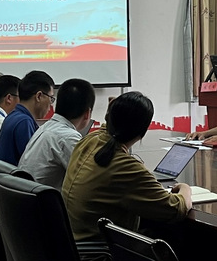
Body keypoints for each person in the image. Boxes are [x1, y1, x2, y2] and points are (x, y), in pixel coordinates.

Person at [63, 91, 192, 242]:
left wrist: (114, 109)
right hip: (101, 250)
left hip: (72, 242)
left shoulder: (89, 140)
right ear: (143, 131)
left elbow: (107, 128)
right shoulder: (126, 167)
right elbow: (175, 209)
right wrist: (185, 188)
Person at [19, 78, 95, 187]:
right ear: (87, 113)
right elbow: (90, 180)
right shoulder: (68, 137)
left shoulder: (46, 127)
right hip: (43, 197)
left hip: (27, 193)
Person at [0, 70, 55, 165]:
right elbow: (32, 164)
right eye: (51, 98)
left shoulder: (13, 116)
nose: (51, 105)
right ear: (39, 96)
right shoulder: (24, 122)